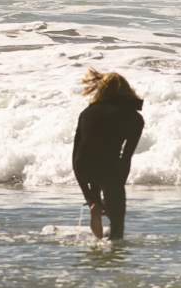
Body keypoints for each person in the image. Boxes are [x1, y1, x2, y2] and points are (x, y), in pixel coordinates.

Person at [72, 67, 144, 240]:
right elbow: (126, 157)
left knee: (96, 166)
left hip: (83, 165)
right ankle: (114, 244)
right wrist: (117, 190)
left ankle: (95, 205)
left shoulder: (87, 113)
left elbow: (77, 154)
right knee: (117, 222)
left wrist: (90, 197)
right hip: (109, 167)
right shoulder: (134, 118)